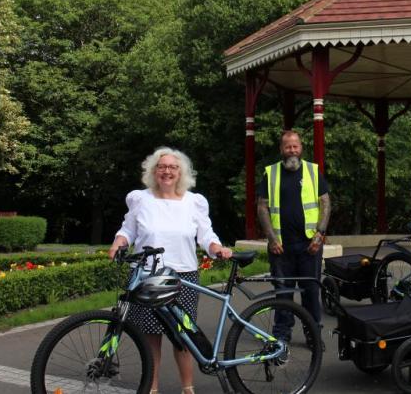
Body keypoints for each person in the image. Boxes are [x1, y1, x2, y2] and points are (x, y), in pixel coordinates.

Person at [108, 147, 232, 394]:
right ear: (154, 171)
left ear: (181, 172)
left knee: (183, 337)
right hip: (147, 275)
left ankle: (188, 388)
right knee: (150, 337)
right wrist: (118, 243)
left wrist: (216, 247)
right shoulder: (140, 199)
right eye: (162, 167)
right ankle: (151, 389)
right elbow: (128, 230)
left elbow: (206, 235)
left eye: (172, 167)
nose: (167, 171)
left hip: (183, 276)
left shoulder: (194, 202)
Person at [256, 130, 331, 345]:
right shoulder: (270, 173)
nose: (292, 150)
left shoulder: (313, 171)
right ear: (281, 149)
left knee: (311, 292)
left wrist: (320, 234)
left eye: (295, 146)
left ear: (301, 148)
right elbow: (262, 207)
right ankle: (282, 334)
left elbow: (325, 202)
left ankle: (313, 334)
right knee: (282, 293)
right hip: (281, 247)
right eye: (287, 146)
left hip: (310, 246)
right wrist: (271, 238)